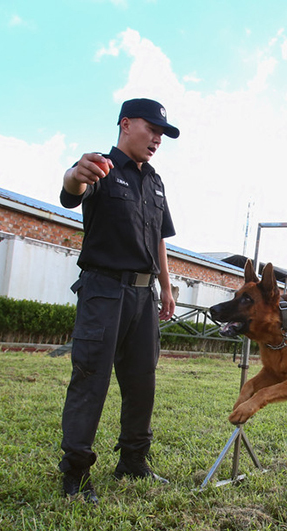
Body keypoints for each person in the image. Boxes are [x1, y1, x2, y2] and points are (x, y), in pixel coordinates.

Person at [57, 98, 179, 503]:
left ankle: (133, 460)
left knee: (142, 380)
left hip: (144, 295)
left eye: (162, 134)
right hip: (104, 291)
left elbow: (159, 238)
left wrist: (166, 286)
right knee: (91, 379)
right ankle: (75, 473)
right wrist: (74, 174)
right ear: (126, 124)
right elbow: (73, 189)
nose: (157, 139)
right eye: (152, 129)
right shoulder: (100, 168)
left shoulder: (155, 181)